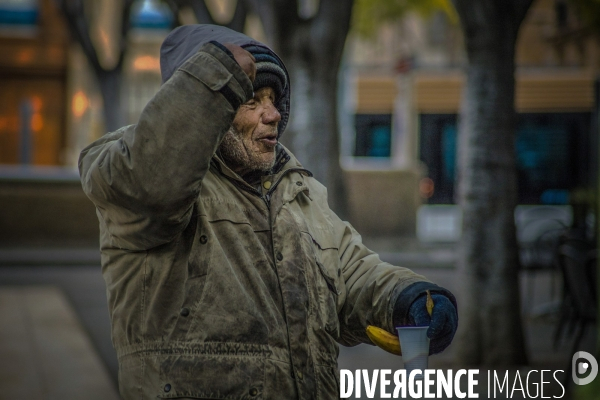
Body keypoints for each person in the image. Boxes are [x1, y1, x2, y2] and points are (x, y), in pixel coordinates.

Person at [79, 25, 458, 400]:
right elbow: (151, 183)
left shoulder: (298, 188)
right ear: (208, 110)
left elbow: (350, 270)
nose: (273, 114)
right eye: (251, 100)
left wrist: (406, 296)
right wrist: (213, 75)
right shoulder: (139, 172)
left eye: (273, 100)